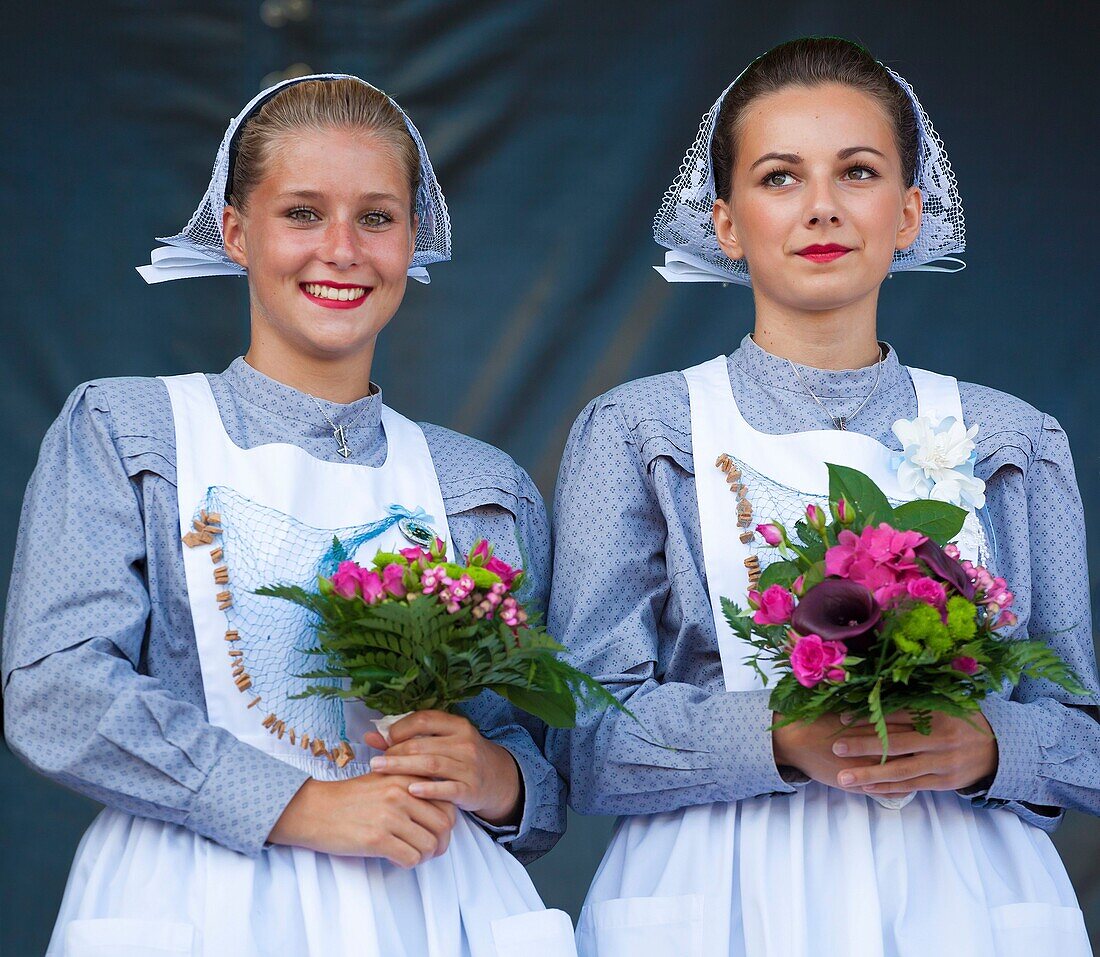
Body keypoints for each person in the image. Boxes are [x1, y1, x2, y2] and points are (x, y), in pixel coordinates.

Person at [546, 38, 1098, 957]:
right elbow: (584, 740)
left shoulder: (1014, 440)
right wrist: (785, 735)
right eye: (778, 177)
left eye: (858, 171)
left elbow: (1079, 725)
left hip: (966, 898)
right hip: (713, 895)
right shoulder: (641, 432)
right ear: (724, 223)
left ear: (911, 211)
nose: (822, 208)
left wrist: (989, 746)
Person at [2, 74, 575, 957]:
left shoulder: (480, 484)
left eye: (377, 217)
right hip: (196, 902)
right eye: (302, 213)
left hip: (434, 909)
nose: (341, 249)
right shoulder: (127, 430)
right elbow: (56, 691)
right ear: (235, 231)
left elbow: (539, 766)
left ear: (412, 239)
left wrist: (493, 774)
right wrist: (300, 805)